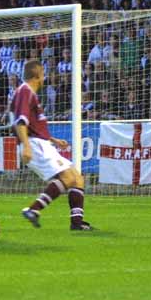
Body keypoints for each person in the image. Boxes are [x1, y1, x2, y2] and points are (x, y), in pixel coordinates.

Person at [15, 60, 93, 231]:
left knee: (77, 178)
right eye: (43, 75)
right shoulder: (25, 91)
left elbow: (35, 125)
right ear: (37, 76)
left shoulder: (30, 94)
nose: (44, 78)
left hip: (41, 142)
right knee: (67, 178)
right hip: (34, 145)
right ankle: (33, 209)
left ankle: (77, 223)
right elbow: (21, 122)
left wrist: (54, 140)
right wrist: (26, 146)